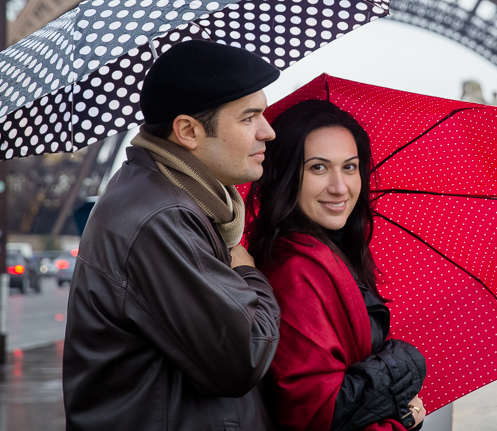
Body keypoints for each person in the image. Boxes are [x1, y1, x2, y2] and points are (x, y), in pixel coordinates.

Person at [63, 41, 282, 430]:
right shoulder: (162, 218)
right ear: (187, 131)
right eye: (249, 118)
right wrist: (249, 274)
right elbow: (241, 358)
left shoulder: (168, 198)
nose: (269, 131)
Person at [246, 100, 427, 431]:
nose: (340, 187)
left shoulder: (335, 252)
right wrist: (402, 404)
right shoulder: (294, 273)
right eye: (318, 167)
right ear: (287, 175)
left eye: (350, 167)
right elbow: (317, 413)